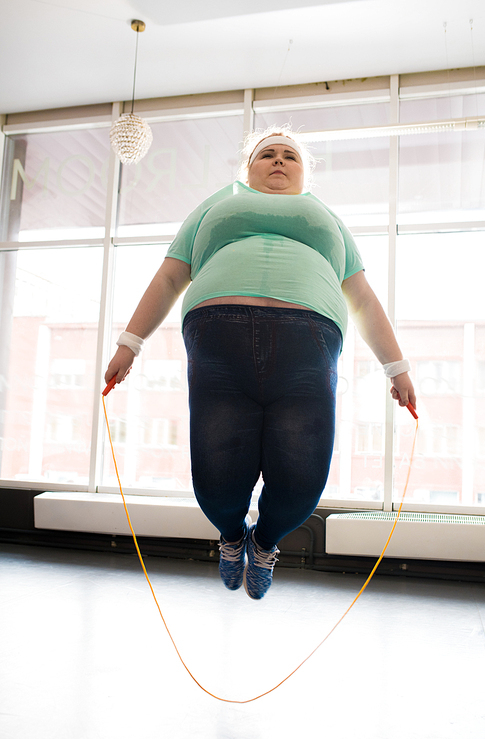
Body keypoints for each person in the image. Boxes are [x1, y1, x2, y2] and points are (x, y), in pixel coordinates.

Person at [105, 127, 416, 601]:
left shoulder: (325, 217)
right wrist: (129, 343)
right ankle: (232, 537)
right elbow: (170, 276)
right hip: (217, 336)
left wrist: (397, 368)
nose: (278, 160)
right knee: (215, 476)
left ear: (304, 172)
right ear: (246, 168)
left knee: (302, 479)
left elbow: (365, 300)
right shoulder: (217, 204)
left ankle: (265, 542)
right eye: (265, 154)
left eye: (289, 155)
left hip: (308, 344)